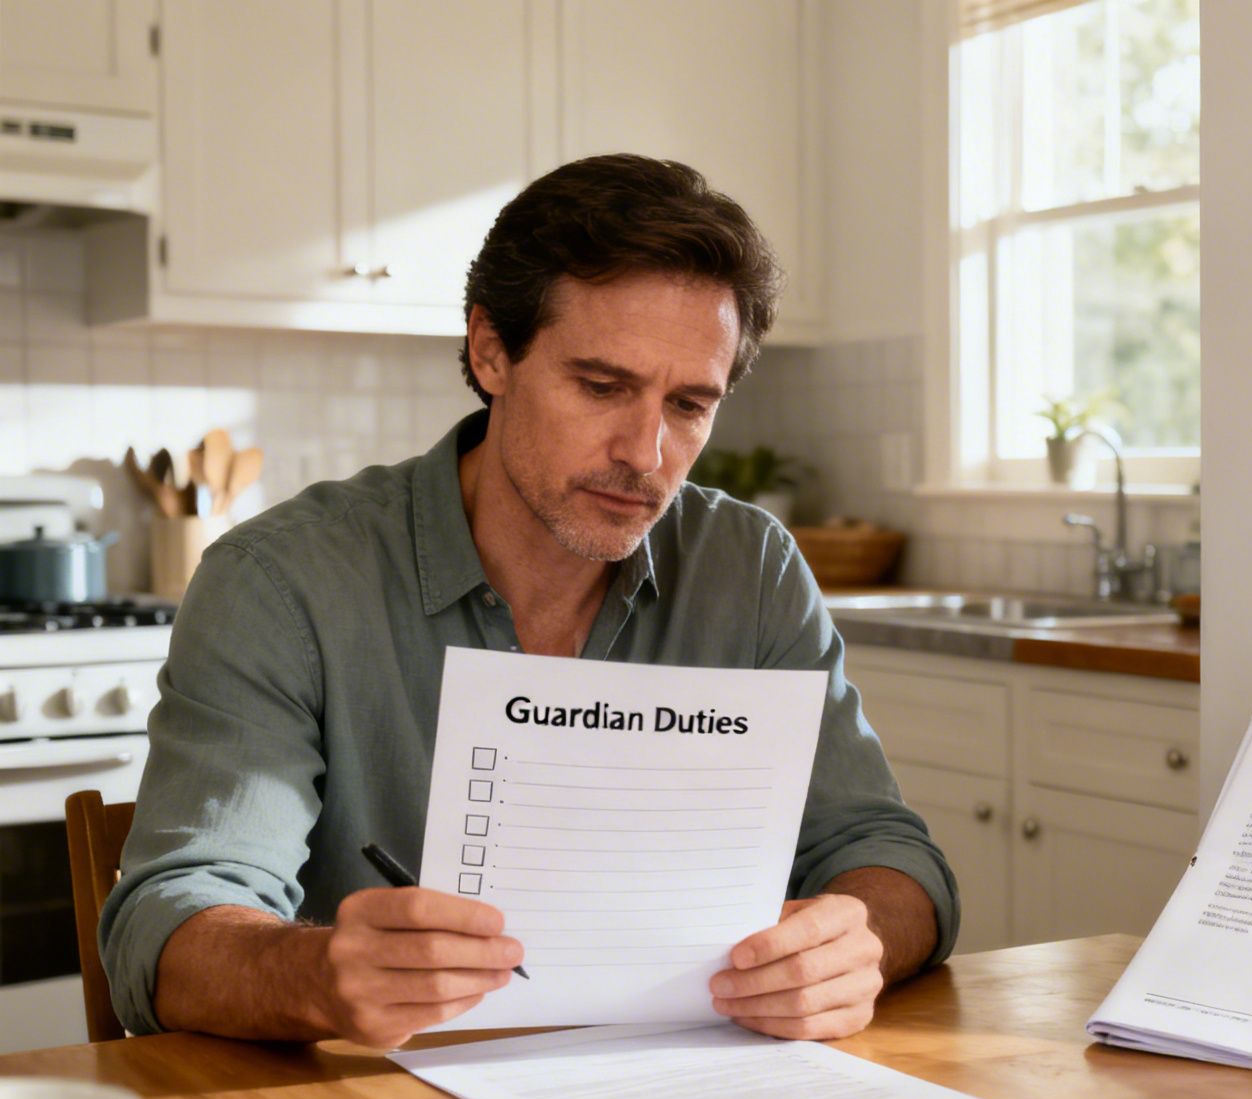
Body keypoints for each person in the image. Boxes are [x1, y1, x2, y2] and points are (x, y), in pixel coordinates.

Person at [99, 154, 958, 1049]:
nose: (645, 450)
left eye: (690, 404)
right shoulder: (282, 583)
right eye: (602, 387)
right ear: (490, 351)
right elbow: (165, 927)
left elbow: (894, 861)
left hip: (683, 1098)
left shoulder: (750, 567)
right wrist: (316, 975)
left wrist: (854, 943)